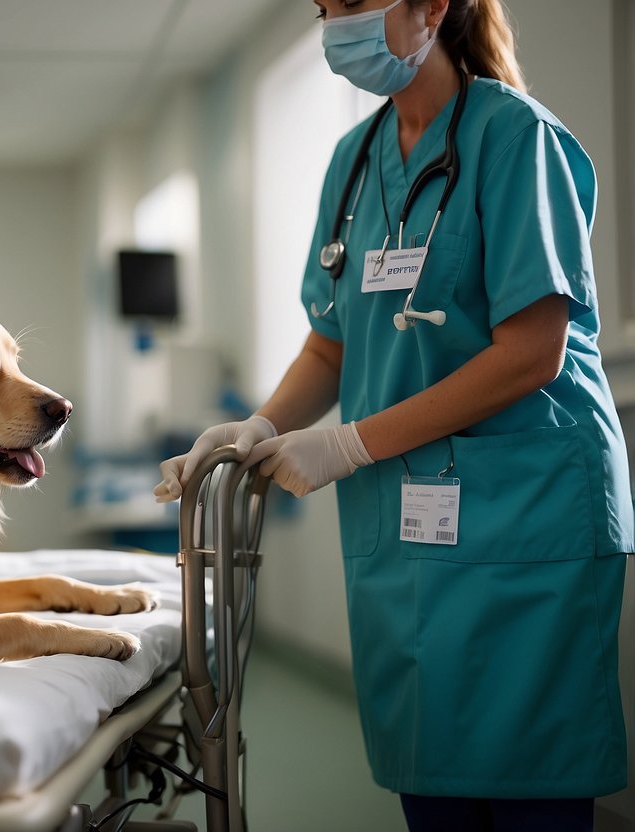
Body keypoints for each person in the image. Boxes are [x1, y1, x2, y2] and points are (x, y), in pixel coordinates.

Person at [155, 2, 631, 830]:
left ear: (431, 9)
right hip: (404, 518)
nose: (335, 23)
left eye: (354, 3)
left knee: (524, 783)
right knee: (429, 770)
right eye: (323, 8)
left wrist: (346, 443)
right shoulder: (352, 160)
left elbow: (532, 352)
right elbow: (330, 347)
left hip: (524, 505)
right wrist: (260, 427)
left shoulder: (516, 137)